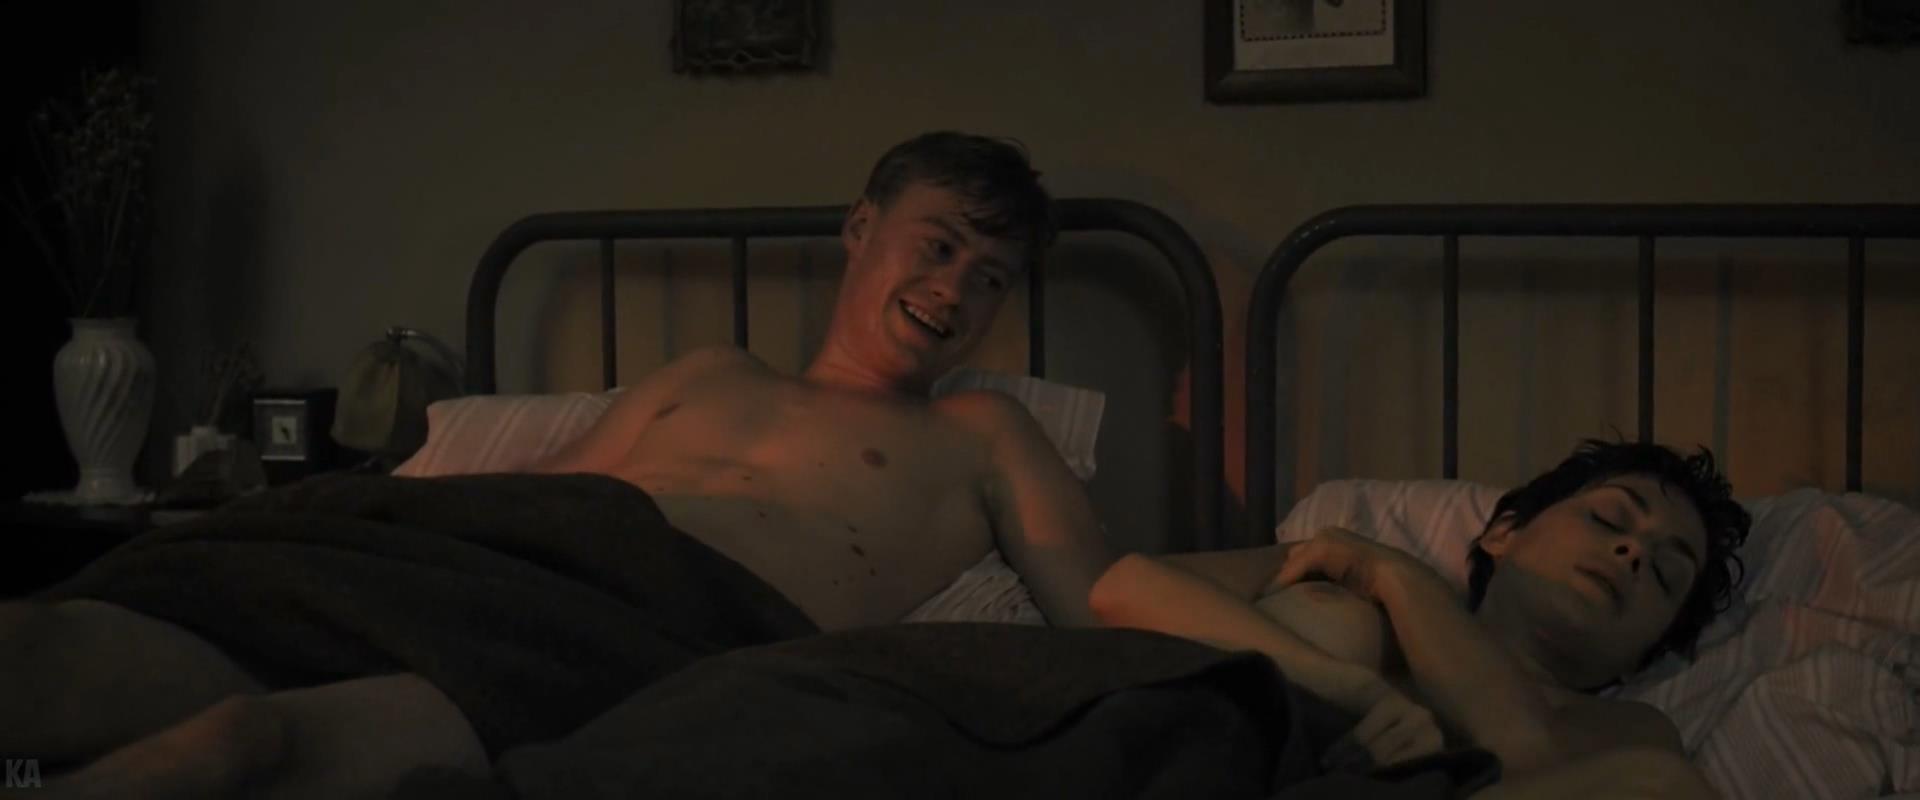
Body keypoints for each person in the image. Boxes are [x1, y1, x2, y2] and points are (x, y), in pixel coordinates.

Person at [2, 131, 1116, 799]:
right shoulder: (710, 370)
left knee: (250, 744)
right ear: (861, 227)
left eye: (991, 277)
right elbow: (536, 500)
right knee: (44, 643)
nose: (957, 287)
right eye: (940, 243)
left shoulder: (984, 431)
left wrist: (1240, 577)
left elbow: (1107, 601)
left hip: (641, 627)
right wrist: (353, 518)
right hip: (496, 562)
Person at [1089, 439, 1748, 795]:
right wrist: (1349, 683)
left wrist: (1397, 574)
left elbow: (1522, 752)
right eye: (1608, 519)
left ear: (1647, 651)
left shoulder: (1631, 733)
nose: (1634, 553)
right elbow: (1122, 589)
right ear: (1503, 532)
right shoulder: (1329, 567)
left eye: (1665, 574)